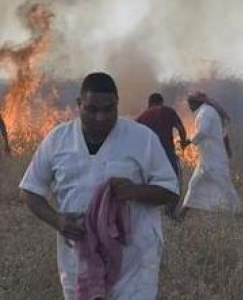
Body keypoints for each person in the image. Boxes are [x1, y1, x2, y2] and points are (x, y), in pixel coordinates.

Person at [19, 72, 179, 299]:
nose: (101, 117)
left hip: (132, 262)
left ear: (117, 104)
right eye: (92, 109)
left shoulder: (142, 139)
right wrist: (58, 221)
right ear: (79, 105)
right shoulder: (58, 140)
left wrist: (133, 191)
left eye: (108, 109)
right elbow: (29, 192)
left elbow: (170, 191)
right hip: (80, 261)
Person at [179, 91, 240, 217]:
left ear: (197, 102)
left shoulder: (205, 112)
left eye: (190, 104)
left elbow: (202, 132)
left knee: (223, 185)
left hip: (213, 157)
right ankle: (182, 214)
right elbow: (224, 134)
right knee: (195, 184)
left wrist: (188, 142)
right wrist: (227, 149)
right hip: (210, 157)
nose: (190, 107)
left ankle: (237, 213)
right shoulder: (210, 111)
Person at [136, 93, 189, 218]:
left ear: (149, 104)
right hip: (167, 153)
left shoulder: (143, 116)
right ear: (161, 102)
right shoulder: (167, 111)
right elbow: (181, 129)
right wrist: (183, 144)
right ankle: (170, 213)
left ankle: (149, 213)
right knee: (174, 183)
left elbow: (136, 137)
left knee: (149, 184)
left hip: (148, 157)